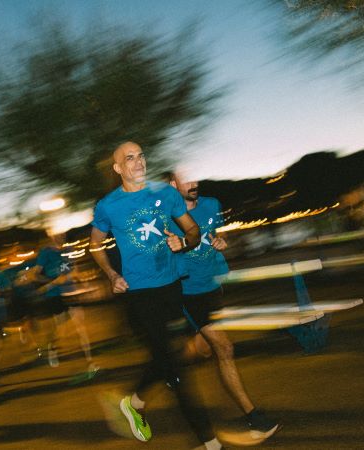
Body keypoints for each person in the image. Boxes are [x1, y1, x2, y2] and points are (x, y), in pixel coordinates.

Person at [90, 141, 231, 450]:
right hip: (139, 295)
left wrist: (185, 243)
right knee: (176, 369)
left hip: (171, 287)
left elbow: (192, 232)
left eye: (141, 155)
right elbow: (95, 243)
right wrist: (112, 275)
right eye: (130, 158)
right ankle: (208, 441)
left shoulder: (165, 194)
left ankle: (133, 402)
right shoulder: (108, 206)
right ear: (118, 169)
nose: (139, 161)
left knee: (171, 356)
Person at [165, 170, 281, 443]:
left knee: (202, 349)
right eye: (187, 180)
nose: (193, 184)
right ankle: (254, 416)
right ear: (173, 184)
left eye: (196, 178)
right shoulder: (167, 215)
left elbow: (214, 237)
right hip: (188, 291)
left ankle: (166, 368)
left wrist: (220, 242)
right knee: (225, 348)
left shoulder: (212, 205)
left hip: (212, 287)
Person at [32, 233, 99, 380]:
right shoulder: (46, 252)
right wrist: (53, 280)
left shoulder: (69, 250)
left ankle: (90, 362)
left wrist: (85, 281)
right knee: (60, 331)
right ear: (51, 235)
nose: (61, 236)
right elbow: (35, 275)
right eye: (57, 234)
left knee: (81, 328)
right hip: (55, 295)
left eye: (63, 233)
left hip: (71, 292)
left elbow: (74, 270)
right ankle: (53, 347)